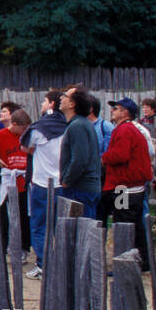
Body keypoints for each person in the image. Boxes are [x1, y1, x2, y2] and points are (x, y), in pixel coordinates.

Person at [99, 97, 153, 269]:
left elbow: (120, 155)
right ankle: (142, 260)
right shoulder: (129, 129)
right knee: (134, 225)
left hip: (124, 188)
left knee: (123, 224)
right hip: (131, 187)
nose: (112, 111)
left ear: (125, 112)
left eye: (116, 108)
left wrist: (104, 158)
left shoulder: (124, 130)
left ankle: (125, 263)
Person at [20, 90, 67, 279]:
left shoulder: (39, 128)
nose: (41, 105)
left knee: (39, 225)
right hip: (62, 182)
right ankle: (58, 263)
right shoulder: (69, 125)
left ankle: (43, 264)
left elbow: (25, 146)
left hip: (42, 182)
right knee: (58, 224)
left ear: (52, 104)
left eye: (45, 101)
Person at [0, 105, 33, 258]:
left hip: (22, 180)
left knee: (23, 215)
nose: (24, 132)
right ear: (14, 125)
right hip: (7, 179)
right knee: (2, 216)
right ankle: (1, 248)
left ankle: (23, 248)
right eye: (23, 128)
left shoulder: (27, 136)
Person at [58, 87, 101, 216]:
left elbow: (79, 160)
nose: (61, 98)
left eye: (65, 96)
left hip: (80, 190)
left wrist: (66, 181)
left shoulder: (78, 126)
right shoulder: (81, 124)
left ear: (72, 104)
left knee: (80, 233)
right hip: (82, 189)